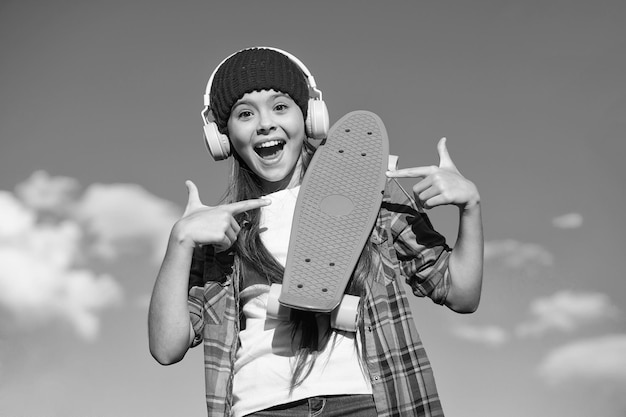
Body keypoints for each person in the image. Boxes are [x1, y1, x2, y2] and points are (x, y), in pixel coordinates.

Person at [148, 47, 483, 417]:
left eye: (280, 107)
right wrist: (180, 241)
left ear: (309, 117)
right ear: (222, 137)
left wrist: (470, 207)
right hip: (260, 407)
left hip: (365, 402)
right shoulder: (221, 233)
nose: (264, 124)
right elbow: (166, 347)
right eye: (245, 114)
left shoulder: (369, 192)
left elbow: (460, 293)